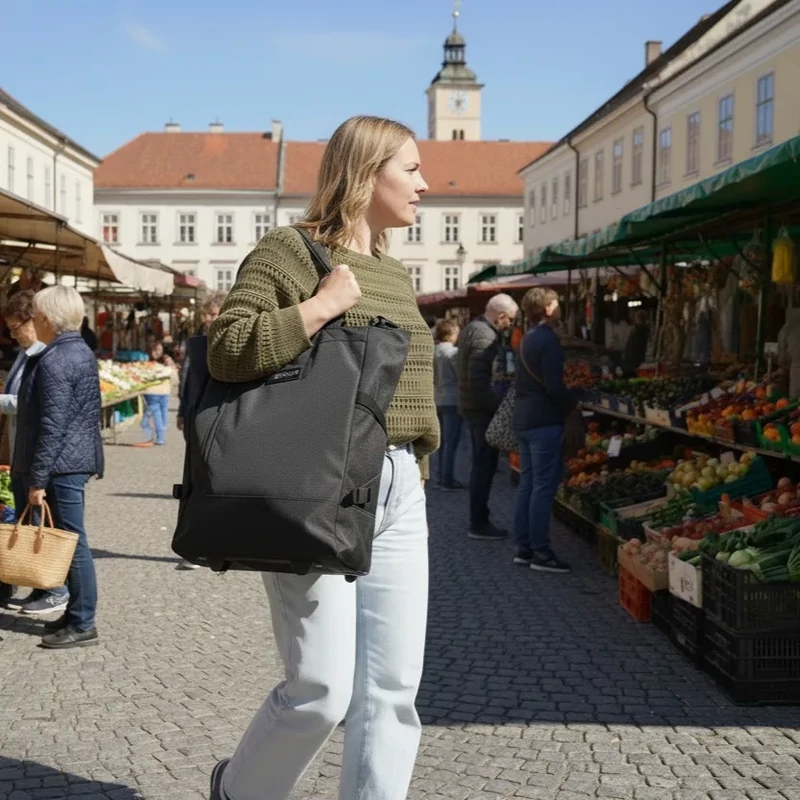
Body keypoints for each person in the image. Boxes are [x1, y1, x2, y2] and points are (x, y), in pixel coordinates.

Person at [205, 115, 437, 800]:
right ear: (367, 175)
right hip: (318, 486)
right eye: (413, 169)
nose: (427, 184)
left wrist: (413, 468)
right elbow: (226, 349)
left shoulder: (396, 273)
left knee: (392, 692)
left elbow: (410, 392)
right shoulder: (290, 253)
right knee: (322, 692)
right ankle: (238, 791)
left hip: (397, 491)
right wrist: (319, 308)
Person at [12, 285, 104, 648]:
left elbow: (52, 424)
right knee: (71, 540)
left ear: (47, 319)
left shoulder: (56, 358)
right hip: (74, 458)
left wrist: (37, 480)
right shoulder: (77, 351)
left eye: (35, 316)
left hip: (64, 463)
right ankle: (76, 614)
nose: (34, 321)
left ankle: (83, 623)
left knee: (72, 542)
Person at [512, 287, 574, 573]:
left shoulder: (526, 339)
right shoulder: (547, 339)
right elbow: (554, 386)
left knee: (527, 484)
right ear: (548, 308)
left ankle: (524, 548)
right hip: (544, 420)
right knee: (542, 488)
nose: (559, 308)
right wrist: (574, 402)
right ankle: (541, 552)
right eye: (557, 303)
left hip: (524, 418)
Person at [0, 290, 54, 612]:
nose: (11, 333)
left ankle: (52, 587)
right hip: (20, 449)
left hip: (35, 449)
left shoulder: (43, 353)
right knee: (26, 518)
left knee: (41, 521)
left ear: (31, 321)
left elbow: (33, 404)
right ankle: (35, 583)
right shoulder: (24, 353)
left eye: (15, 326)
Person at [457, 293, 518, 541]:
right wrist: (501, 408)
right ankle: (478, 522)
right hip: (480, 410)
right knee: (484, 466)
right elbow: (479, 382)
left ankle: (479, 518)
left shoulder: (474, 327)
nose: (510, 325)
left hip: (472, 406)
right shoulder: (485, 334)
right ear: (501, 316)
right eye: (510, 320)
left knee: (482, 464)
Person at [173, 298, 221, 571]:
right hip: (194, 416)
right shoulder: (199, 340)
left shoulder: (226, 341)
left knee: (210, 483)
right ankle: (197, 546)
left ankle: (205, 547)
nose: (209, 319)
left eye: (214, 313)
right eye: (207, 314)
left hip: (213, 418)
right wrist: (181, 411)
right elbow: (187, 380)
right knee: (194, 482)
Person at [433, 318, 463, 490]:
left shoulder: (433, 351)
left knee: (442, 442)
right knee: (451, 441)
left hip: (437, 398)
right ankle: (447, 479)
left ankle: (439, 476)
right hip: (452, 398)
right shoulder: (453, 353)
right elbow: (460, 375)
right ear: (451, 334)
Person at [134, 341, 175, 448]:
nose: (156, 352)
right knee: (158, 414)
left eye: (158, 350)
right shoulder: (147, 360)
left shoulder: (164, 360)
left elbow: (171, 372)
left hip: (160, 391)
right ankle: (160, 436)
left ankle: (160, 436)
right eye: (154, 350)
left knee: (160, 414)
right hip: (156, 391)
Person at [620, 310, 649, 376]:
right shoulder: (644, 330)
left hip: (631, 359)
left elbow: (631, 345)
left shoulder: (636, 330)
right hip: (637, 358)